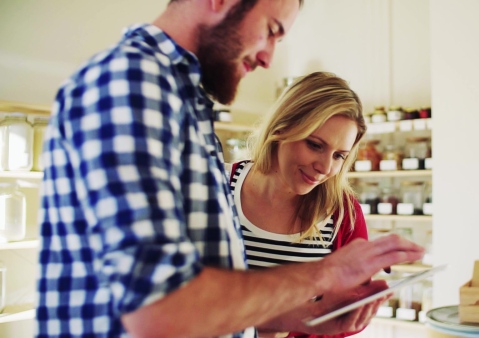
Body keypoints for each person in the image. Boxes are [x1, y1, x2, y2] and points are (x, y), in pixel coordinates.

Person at [36, 1, 425, 338]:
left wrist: (308, 317)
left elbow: (196, 305)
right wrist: (324, 273)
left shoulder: (179, 100)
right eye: (271, 31)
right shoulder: (134, 84)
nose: (268, 58)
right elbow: (161, 309)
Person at [228, 72, 372, 338]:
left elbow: (347, 317)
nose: (326, 168)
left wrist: (355, 306)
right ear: (282, 128)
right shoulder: (219, 186)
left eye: (339, 155)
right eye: (315, 145)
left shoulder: (343, 213)